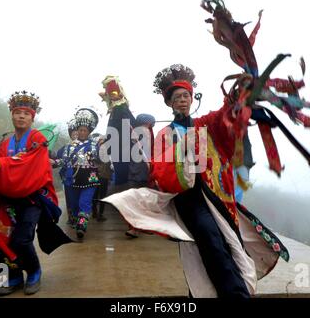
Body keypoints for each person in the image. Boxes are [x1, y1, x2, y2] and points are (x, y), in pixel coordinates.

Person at [103, 65, 289, 298]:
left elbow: (225, 117)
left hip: (215, 195)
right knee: (208, 237)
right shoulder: (165, 134)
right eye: (177, 97)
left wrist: (238, 97)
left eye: (186, 96)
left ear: (192, 99)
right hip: (186, 197)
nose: (182, 100)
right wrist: (163, 165)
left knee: (228, 243)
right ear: (169, 103)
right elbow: (159, 169)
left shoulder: (203, 124)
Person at [0, 90, 72, 296]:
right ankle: (14, 277)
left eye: (26, 113)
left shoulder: (38, 138)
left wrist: (0, 165)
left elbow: (30, 164)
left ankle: (34, 271)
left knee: (22, 239)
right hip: (8, 199)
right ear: (12, 115)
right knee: (2, 238)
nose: (21, 116)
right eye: (17, 112)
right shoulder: (5, 143)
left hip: (32, 197)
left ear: (32, 117)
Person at [56, 108, 100, 239]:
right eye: (79, 130)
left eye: (84, 130)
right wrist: (52, 162)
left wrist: (100, 154)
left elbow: (101, 159)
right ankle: (77, 222)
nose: (81, 132)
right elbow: (63, 161)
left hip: (90, 179)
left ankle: (82, 226)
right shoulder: (69, 147)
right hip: (73, 180)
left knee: (84, 203)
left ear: (89, 132)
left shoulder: (94, 145)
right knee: (74, 204)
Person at [99, 76, 136, 192]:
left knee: (124, 179)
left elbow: (128, 126)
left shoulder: (121, 108)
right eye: (110, 94)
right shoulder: (116, 110)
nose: (112, 96)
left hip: (123, 150)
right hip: (118, 150)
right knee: (121, 178)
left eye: (114, 93)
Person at [125, 113, 156, 238]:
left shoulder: (153, 138)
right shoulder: (134, 134)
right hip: (135, 173)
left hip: (148, 173)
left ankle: (145, 226)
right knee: (134, 201)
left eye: (148, 126)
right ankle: (133, 228)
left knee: (146, 202)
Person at [51, 118, 78, 225]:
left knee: (80, 200)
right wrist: (52, 161)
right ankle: (72, 218)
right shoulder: (64, 148)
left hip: (83, 178)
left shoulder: (88, 146)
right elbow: (58, 160)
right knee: (70, 199)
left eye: (78, 132)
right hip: (68, 178)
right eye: (73, 133)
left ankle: (80, 219)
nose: (76, 135)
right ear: (70, 134)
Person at [90, 133, 113, 222]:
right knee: (102, 194)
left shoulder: (93, 149)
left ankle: (94, 211)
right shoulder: (105, 148)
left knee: (94, 193)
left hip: (93, 173)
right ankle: (100, 214)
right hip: (103, 174)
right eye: (101, 140)